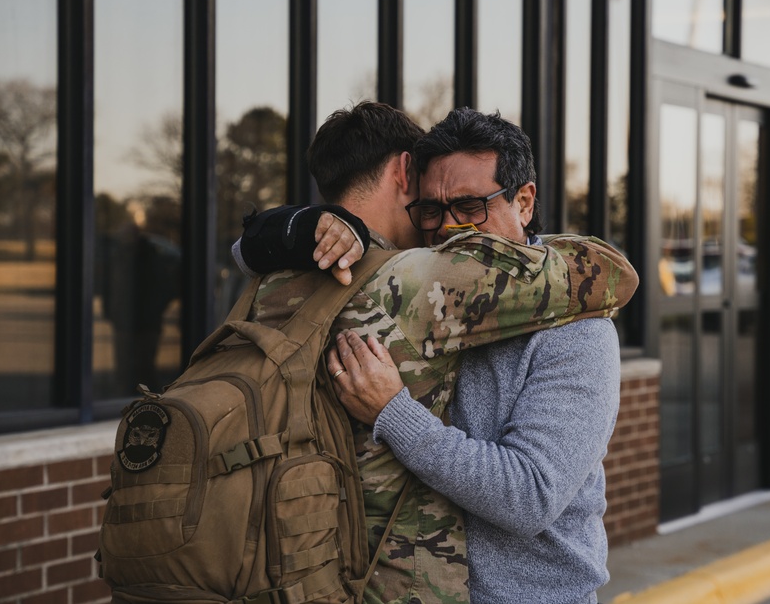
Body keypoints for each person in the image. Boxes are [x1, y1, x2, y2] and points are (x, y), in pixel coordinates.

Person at [234, 102, 638, 604]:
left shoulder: (576, 329)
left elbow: (530, 496)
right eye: (431, 210)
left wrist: (394, 414)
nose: (448, 228)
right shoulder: (418, 286)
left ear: (525, 201)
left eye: (470, 206)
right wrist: (307, 224)